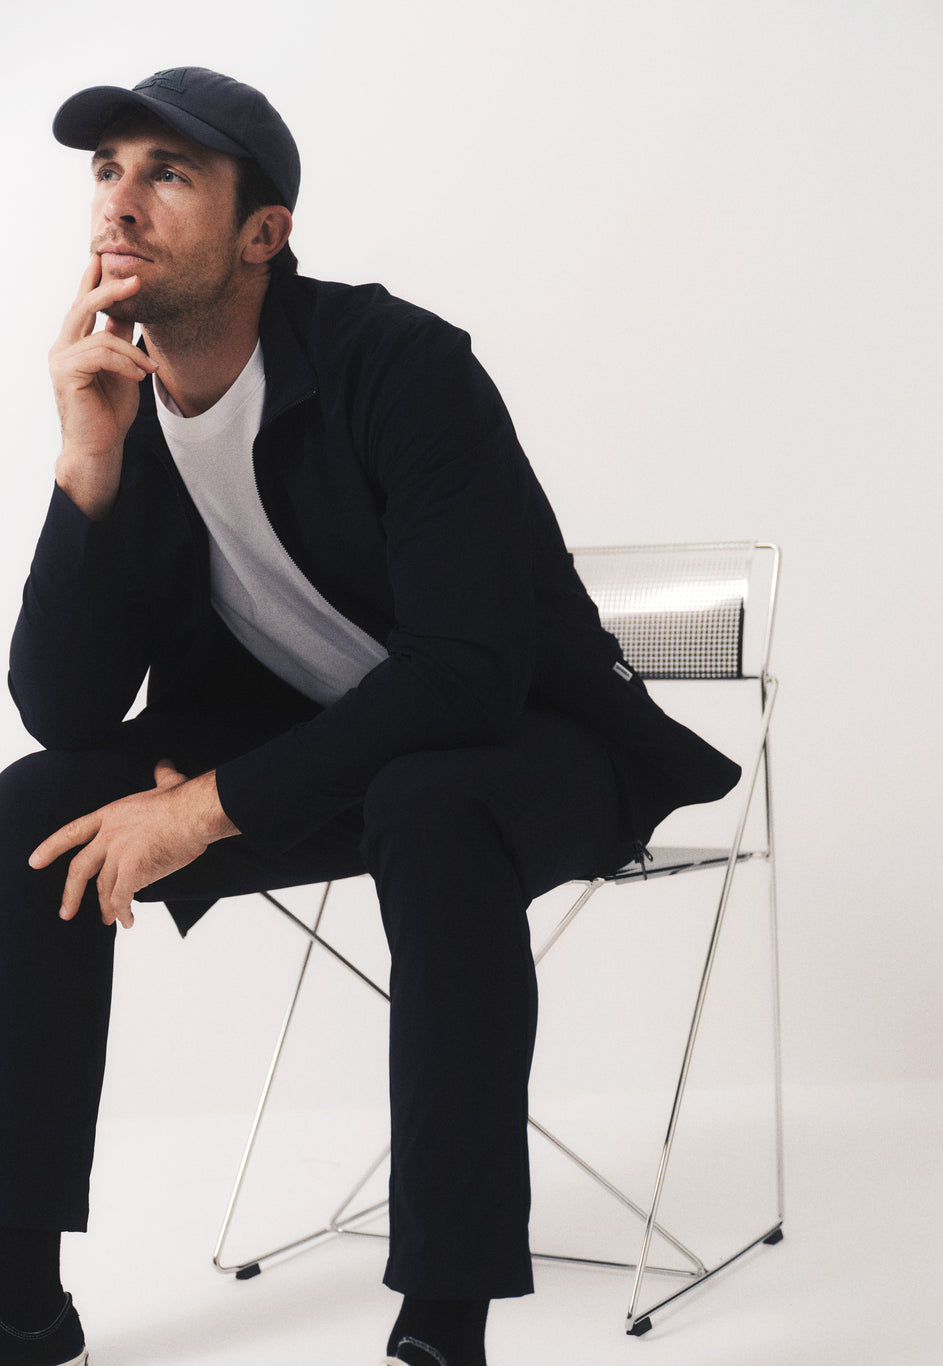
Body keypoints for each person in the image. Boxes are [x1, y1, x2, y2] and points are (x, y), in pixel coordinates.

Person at [0, 68, 740, 1366]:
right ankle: (17, 1293)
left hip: (540, 745)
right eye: (107, 168)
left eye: (167, 172)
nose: (120, 199)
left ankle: (445, 1321)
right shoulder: (133, 407)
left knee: (431, 795)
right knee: (32, 806)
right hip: (327, 756)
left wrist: (210, 806)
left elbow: (464, 673)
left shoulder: (401, 368)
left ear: (262, 233)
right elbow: (64, 708)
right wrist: (87, 467)